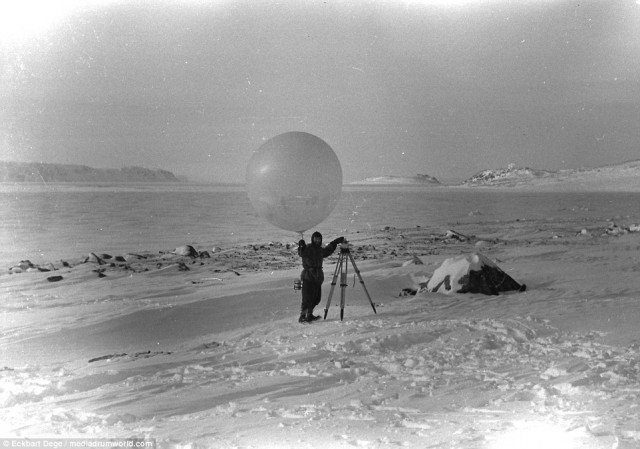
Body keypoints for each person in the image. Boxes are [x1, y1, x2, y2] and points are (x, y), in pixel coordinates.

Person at [297, 231, 344, 323]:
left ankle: (309, 315)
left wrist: (335, 242)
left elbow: (328, 250)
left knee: (316, 298)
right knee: (307, 297)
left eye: (319, 239)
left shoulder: (319, 250)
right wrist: (301, 246)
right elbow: (301, 253)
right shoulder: (308, 248)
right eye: (315, 239)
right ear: (312, 239)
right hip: (308, 276)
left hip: (317, 277)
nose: (317, 240)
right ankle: (302, 316)